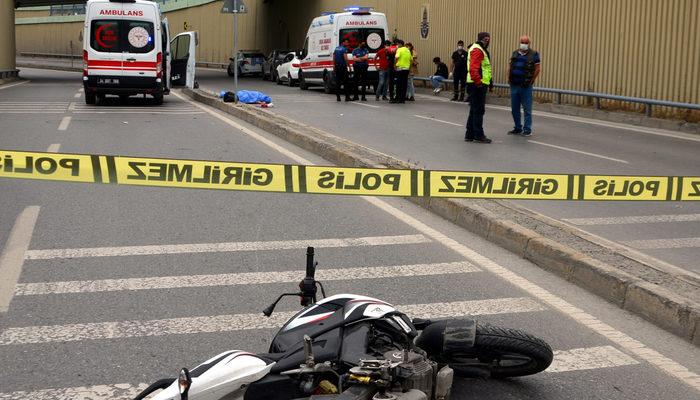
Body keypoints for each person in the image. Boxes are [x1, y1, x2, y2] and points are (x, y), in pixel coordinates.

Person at [507, 35, 541, 136]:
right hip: (514, 85)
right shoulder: (515, 53)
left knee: (527, 109)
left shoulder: (534, 54)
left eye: (526, 42)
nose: (524, 44)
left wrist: (531, 81)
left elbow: (537, 68)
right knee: (514, 109)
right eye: (522, 42)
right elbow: (510, 66)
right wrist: (508, 78)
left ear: (529, 43)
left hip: (525, 86)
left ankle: (527, 129)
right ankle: (517, 128)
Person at [465, 32, 493, 143]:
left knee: (474, 109)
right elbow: (474, 68)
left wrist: (490, 83)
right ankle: (478, 134)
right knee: (479, 110)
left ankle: (469, 134)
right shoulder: (478, 50)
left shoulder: (479, 49)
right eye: (486, 39)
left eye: (488, 39)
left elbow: (485, 68)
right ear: (481, 39)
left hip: (476, 83)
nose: (488, 41)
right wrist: (479, 83)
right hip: (477, 84)